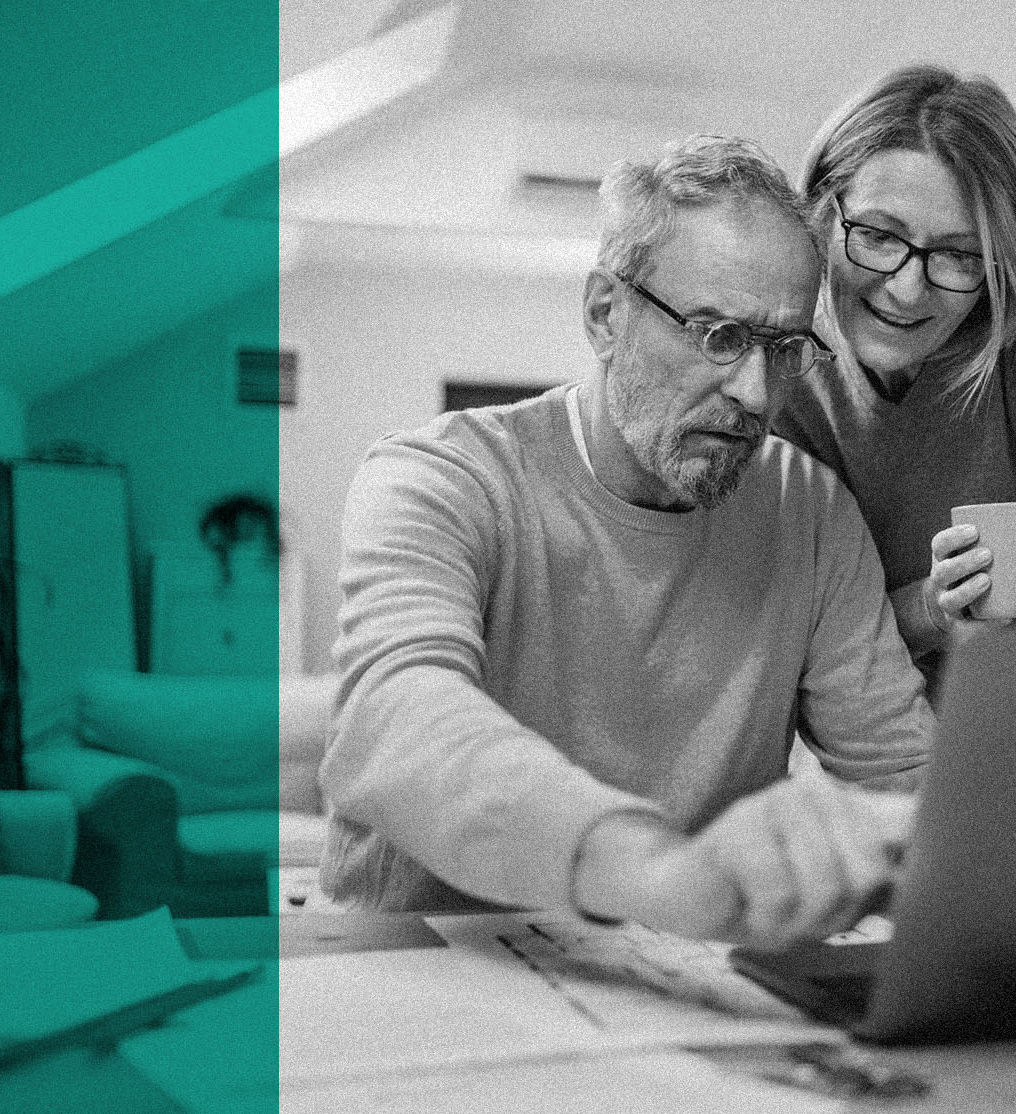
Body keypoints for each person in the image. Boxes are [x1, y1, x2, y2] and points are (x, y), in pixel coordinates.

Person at [319, 135, 932, 951]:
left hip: (682, 981)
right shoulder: (440, 477)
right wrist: (664, 876)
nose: (755, 393)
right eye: (718, 335)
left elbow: (905, 779)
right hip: (423, 960)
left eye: (783, 350)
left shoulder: (811, 512)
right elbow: (397, 719)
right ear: (605, 313)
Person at [772, 64, 1016, 681]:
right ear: (824, 214)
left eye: (960, 255)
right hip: (891, 736)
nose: (907, 291)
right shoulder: (784, 360)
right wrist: (932, 608)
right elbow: (810, 636)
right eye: (879, 236)